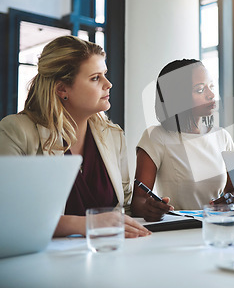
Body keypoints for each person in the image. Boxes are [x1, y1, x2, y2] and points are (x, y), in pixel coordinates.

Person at [0, 35, 150, 238]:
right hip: (44, 263)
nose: (108, 84)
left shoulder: (114, 136)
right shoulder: (15, 132)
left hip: (109, 257)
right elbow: (8, 217)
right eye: (95, 78)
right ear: (62, 89)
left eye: (104, 74)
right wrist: (87, 224)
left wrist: (146, 209)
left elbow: (123, 212)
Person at [131, 59, 234, 221]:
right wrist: (150, 208)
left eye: (211, 86)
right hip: (178, 229)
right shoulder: (156, 137)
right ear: (178, 96)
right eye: (200, 90)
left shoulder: (222, 137)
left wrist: (229, 200)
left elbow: (233, 190)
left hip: (217, 228)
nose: (211, 95)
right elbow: (138, 201)